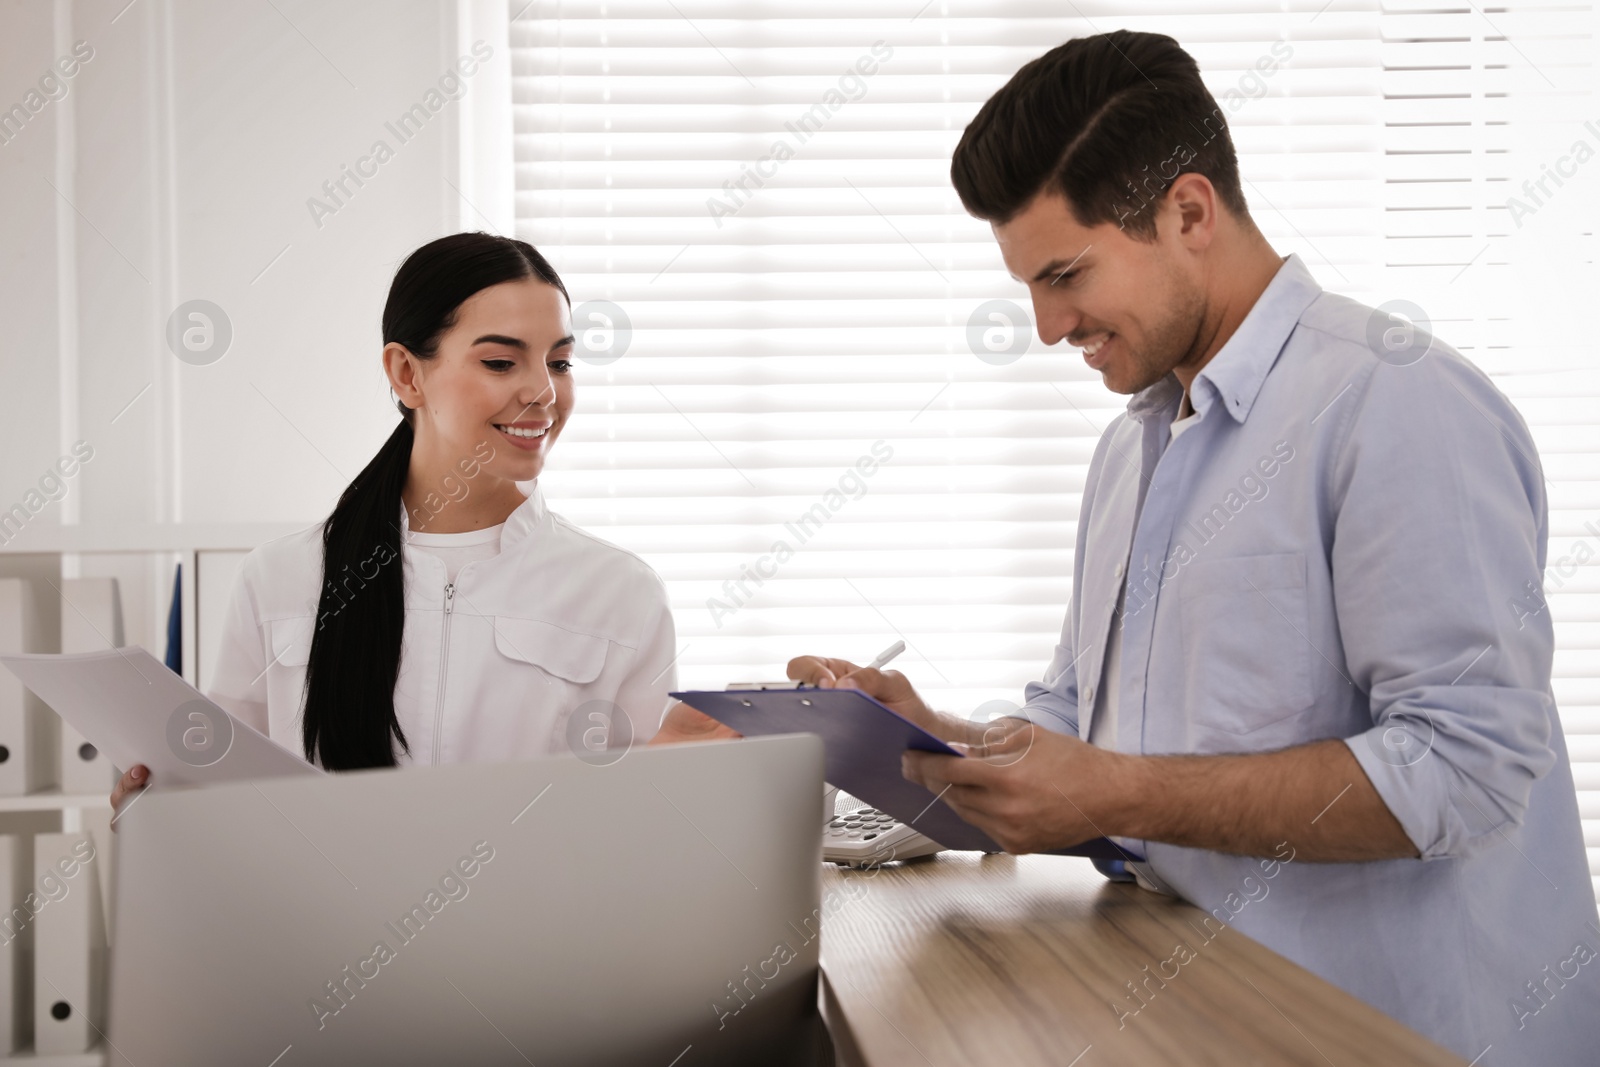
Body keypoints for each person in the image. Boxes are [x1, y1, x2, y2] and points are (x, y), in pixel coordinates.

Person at [790, 30, 1598, 1066]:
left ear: (1187, 212)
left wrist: (1116, 791)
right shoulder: (1131, 448)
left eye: (1066, 274)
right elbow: (1080, 717)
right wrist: (935, 742)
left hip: (1413, 1035)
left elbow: (1465, 767)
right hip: (1209, 1013)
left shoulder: (1393, 403)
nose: (1044, 327)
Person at [114, 232, 714, 811]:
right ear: (407, 373)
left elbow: (638, 823)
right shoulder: (279, 578)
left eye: (559, 363)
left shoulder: (620, 592)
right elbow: (227, 800)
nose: (543, 392)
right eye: (502, 362)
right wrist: (157, 808)